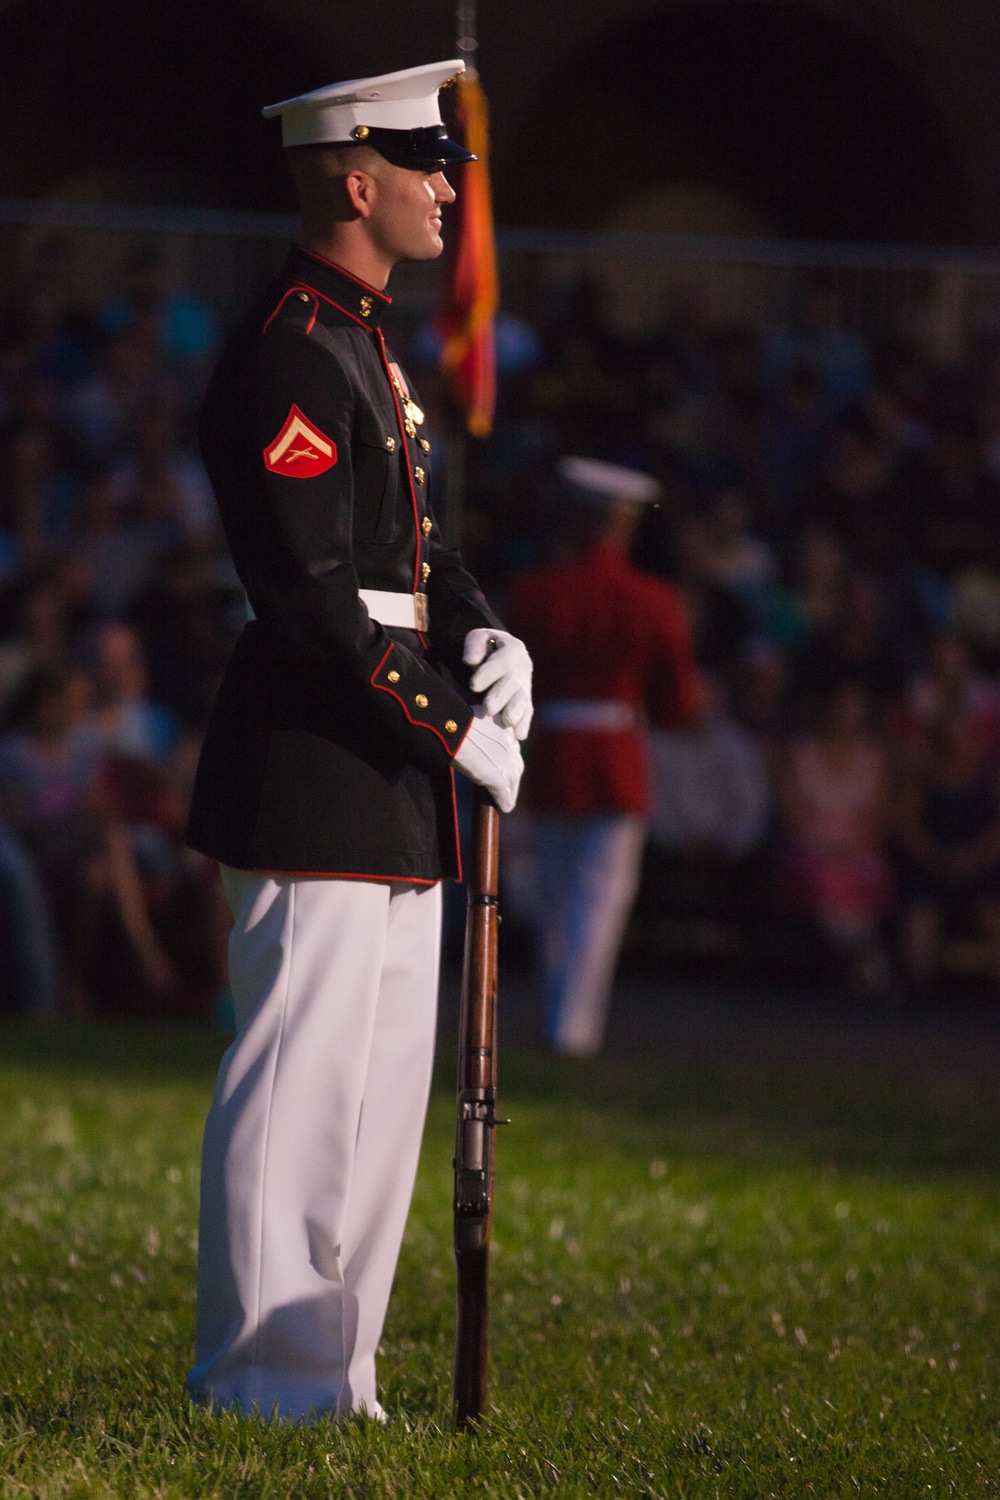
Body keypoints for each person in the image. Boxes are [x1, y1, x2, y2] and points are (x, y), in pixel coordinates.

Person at [184, 60, 532, 1423]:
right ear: (354, 177)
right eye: (423, 161)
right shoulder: (289, 343)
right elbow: (313, 599)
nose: (449, 186)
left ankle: (335, 1368)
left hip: (386, 763)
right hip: (322, 757)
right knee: (298, 1085)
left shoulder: (363, 339)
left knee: (382, 1093)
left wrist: (486, 631)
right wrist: (450, 722)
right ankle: (257, 1373)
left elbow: (414, 557)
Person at [508, 457, 698, 1056]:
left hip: (554, 756)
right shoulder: (654, 599)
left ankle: (557, 1019)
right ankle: (574, 1028)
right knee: (600, 901)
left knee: (553, 896)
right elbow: (677, 703)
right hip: (615, 760)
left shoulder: (536, 592)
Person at [778, 680, 891, 990]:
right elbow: (793, 814)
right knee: (820, 876)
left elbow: (877, 820)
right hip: (811, 846)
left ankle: (854, 959)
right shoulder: (803, 754)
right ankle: (848, 959)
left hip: (856, 850)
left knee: (865, 874)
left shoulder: (872, 759)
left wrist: (849, 848)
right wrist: (821, 846)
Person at [894, 710, 1000, 994]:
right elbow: (908, 825)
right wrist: (939, 858)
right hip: (931, 865)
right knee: (920, 921)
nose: (957, 743)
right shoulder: (923, 776)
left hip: (982, 868)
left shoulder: (990, 776)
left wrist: (972, 859)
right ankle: (918, 994)